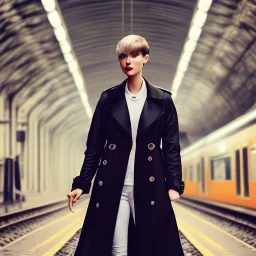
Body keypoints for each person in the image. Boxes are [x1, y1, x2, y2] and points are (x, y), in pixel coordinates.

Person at [67, 34, 185, 256]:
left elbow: (171, 147)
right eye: (123, 56)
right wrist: (82, 183)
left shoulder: (163, 100)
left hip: (150, 185)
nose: (128, 61)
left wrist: (173, 185)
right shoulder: (107, 99)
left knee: (151, 248)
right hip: (114, 186)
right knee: (116, 250)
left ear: (145, 59)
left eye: (134, 55)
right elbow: (94, 146)